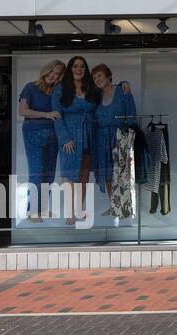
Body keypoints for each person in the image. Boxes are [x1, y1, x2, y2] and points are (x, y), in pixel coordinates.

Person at [51, 56, 98, 225]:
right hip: (69, 138)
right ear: (70, 69)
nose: (79, 69)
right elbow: (56, 116)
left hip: (89, 137)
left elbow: (107, 88)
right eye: (75, 66)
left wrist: (123, 85)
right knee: (70, 177)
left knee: (84, 176)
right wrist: (65, 138)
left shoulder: (91, 88)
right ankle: (69, 214)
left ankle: (79, 210)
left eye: (82, 67)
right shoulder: (60, 89)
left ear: (86, 70)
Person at [18, 60, 65, 221]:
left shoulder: (57, 92)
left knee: (49, 175)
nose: (53, 75)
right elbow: (22, 111)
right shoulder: (30, 87)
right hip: (33, 134)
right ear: (46, 70)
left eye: (58, 74)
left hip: (53, 136)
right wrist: (46, 114)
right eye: (52, 71)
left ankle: (43, 209)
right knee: (37, 173)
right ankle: (32, 211)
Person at [92, 65, 136, 217]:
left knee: (122, 173)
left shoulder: (122, 90)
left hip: (120, 137)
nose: (97, 79)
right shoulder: (96, 96)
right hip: (101, 139)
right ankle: (114, 207)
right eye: (95, 77)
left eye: (99, 75)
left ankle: (125, 208)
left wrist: (127, 138)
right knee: (108, 174)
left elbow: (131, 114)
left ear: (108, 75)